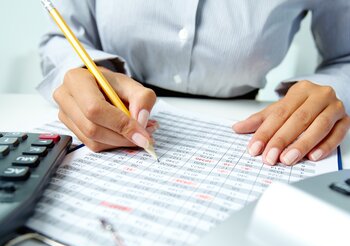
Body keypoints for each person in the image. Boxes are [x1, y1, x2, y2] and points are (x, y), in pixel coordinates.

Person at [38, 0, 350, 166]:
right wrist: (78, 70)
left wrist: (331, 91)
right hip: (115, 109)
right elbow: (61, 39)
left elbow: (345, 57)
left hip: (243, 123)